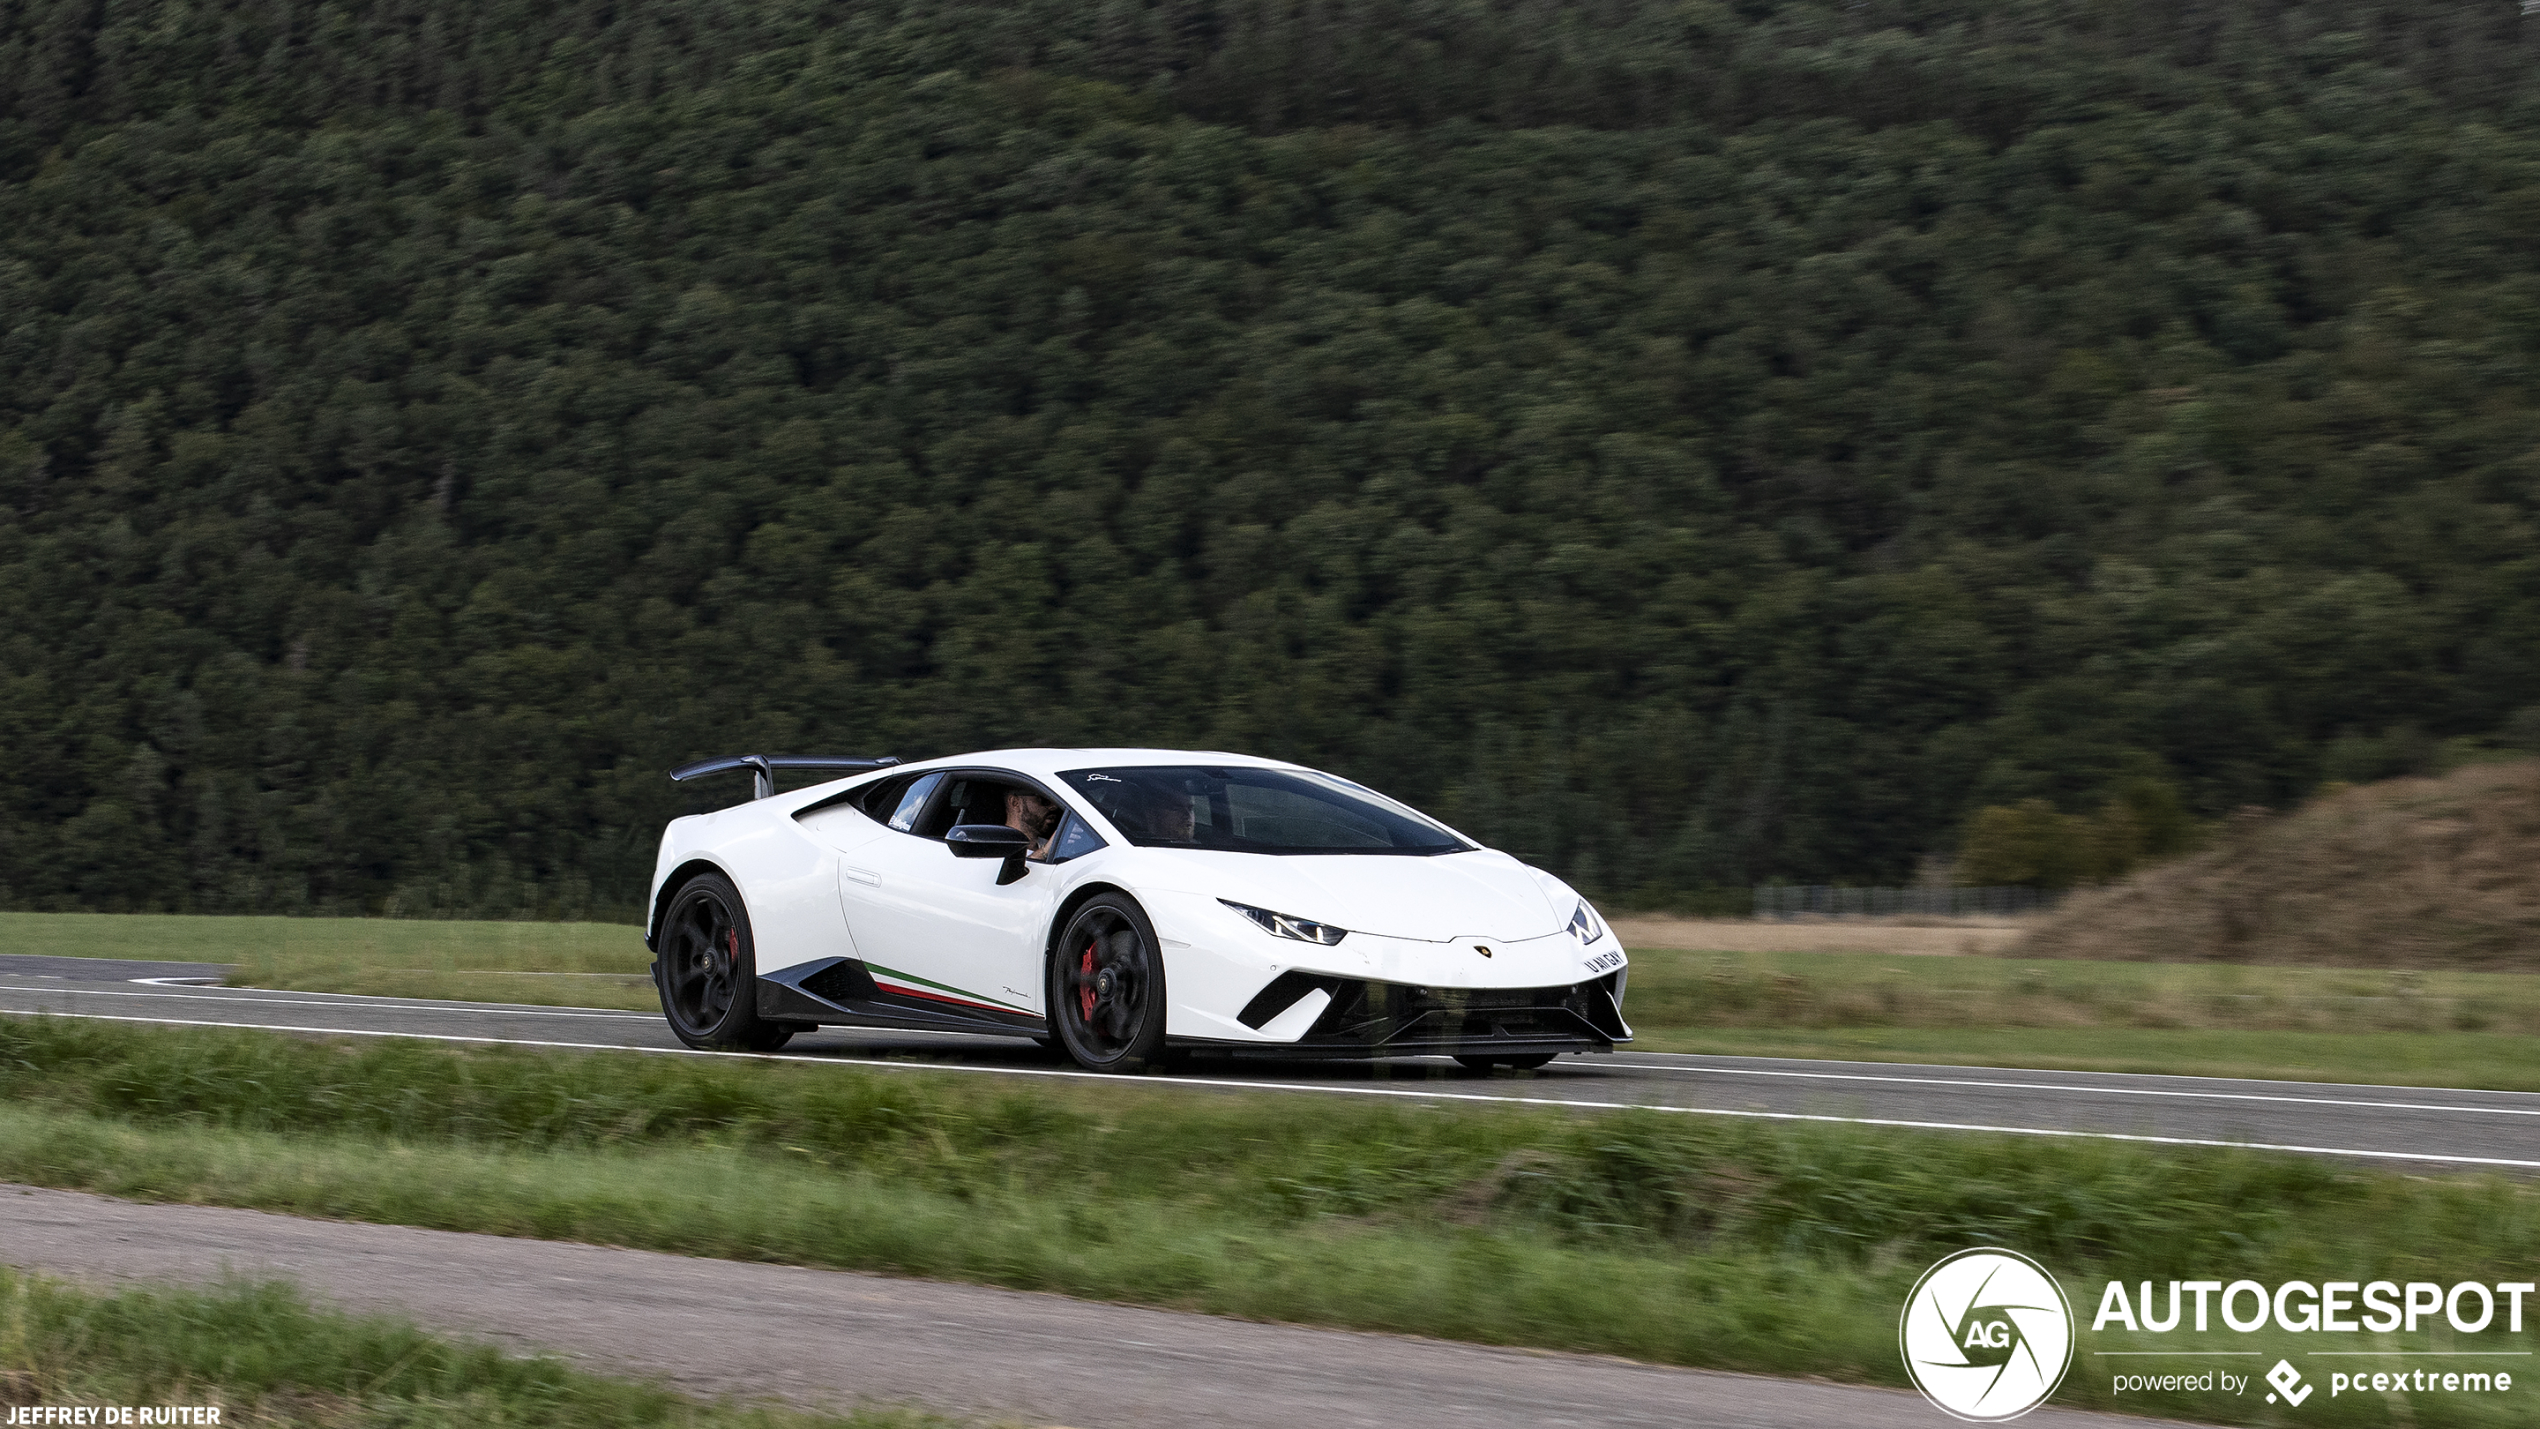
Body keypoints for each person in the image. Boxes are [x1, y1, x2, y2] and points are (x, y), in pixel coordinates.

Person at [1004, 788, 1061, 860]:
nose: (1054, 807)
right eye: (1044, 799)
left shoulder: (1052, 844)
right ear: (1015, 803)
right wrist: (1043, 853)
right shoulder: (996, 845)